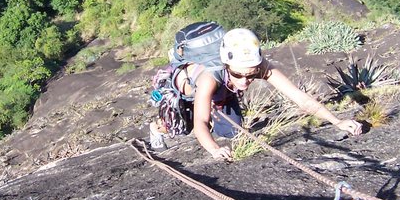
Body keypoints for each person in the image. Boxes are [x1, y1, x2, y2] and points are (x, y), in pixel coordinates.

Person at [152, 28, 362, 160]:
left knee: (232, 133)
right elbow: (200, 122)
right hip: (183, 92)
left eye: (251, 76)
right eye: (239, 75)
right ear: (227, 65)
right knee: (181, 128)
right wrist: (214, 150)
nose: (245, 82)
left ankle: (221, 107)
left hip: (222, 91)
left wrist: (337, 121)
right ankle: (156, 128)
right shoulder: (209, 77)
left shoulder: (259, 66)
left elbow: (298, 97)